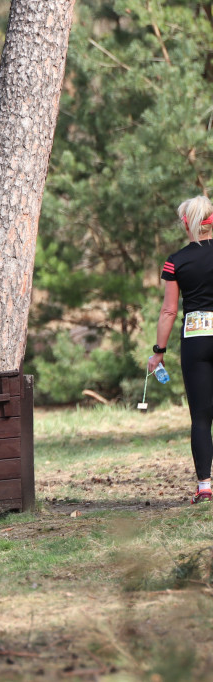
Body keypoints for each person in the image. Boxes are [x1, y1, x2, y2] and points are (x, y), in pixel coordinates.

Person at [149, 194, 213, 504]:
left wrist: (158, 351)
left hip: (196, 341)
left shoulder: (176, 261)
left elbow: (169, 311)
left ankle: (204, 486)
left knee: (200, 417)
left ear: (186, 224)